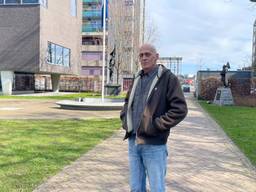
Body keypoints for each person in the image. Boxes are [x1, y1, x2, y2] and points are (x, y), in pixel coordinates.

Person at [120, 44, 188, 192]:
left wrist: (155, 125)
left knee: (157, 188)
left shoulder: (168, 78)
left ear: (156, 57)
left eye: (148, 54)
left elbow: (180, 109)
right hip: (133, 142)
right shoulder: (137, 77)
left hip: (154, 145)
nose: (144, 58)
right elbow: (127, 102)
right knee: (136, 188)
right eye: (141, 55)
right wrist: (125, 119)